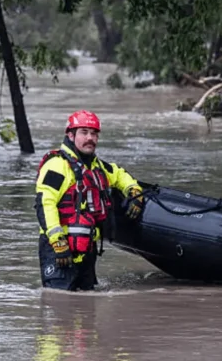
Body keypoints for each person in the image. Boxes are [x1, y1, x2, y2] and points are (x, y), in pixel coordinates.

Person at [35, 110, 145, 291]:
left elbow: (120, 175)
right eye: (84, 132)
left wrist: (134, 192)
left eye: (94, 133)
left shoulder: (97, 166)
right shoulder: (57, 165)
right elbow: (45, 204)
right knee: (58, 303)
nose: (90, 138)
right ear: (70, 135)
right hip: (59, 249)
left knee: (86, 307)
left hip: (87, 249)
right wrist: (58, 242)